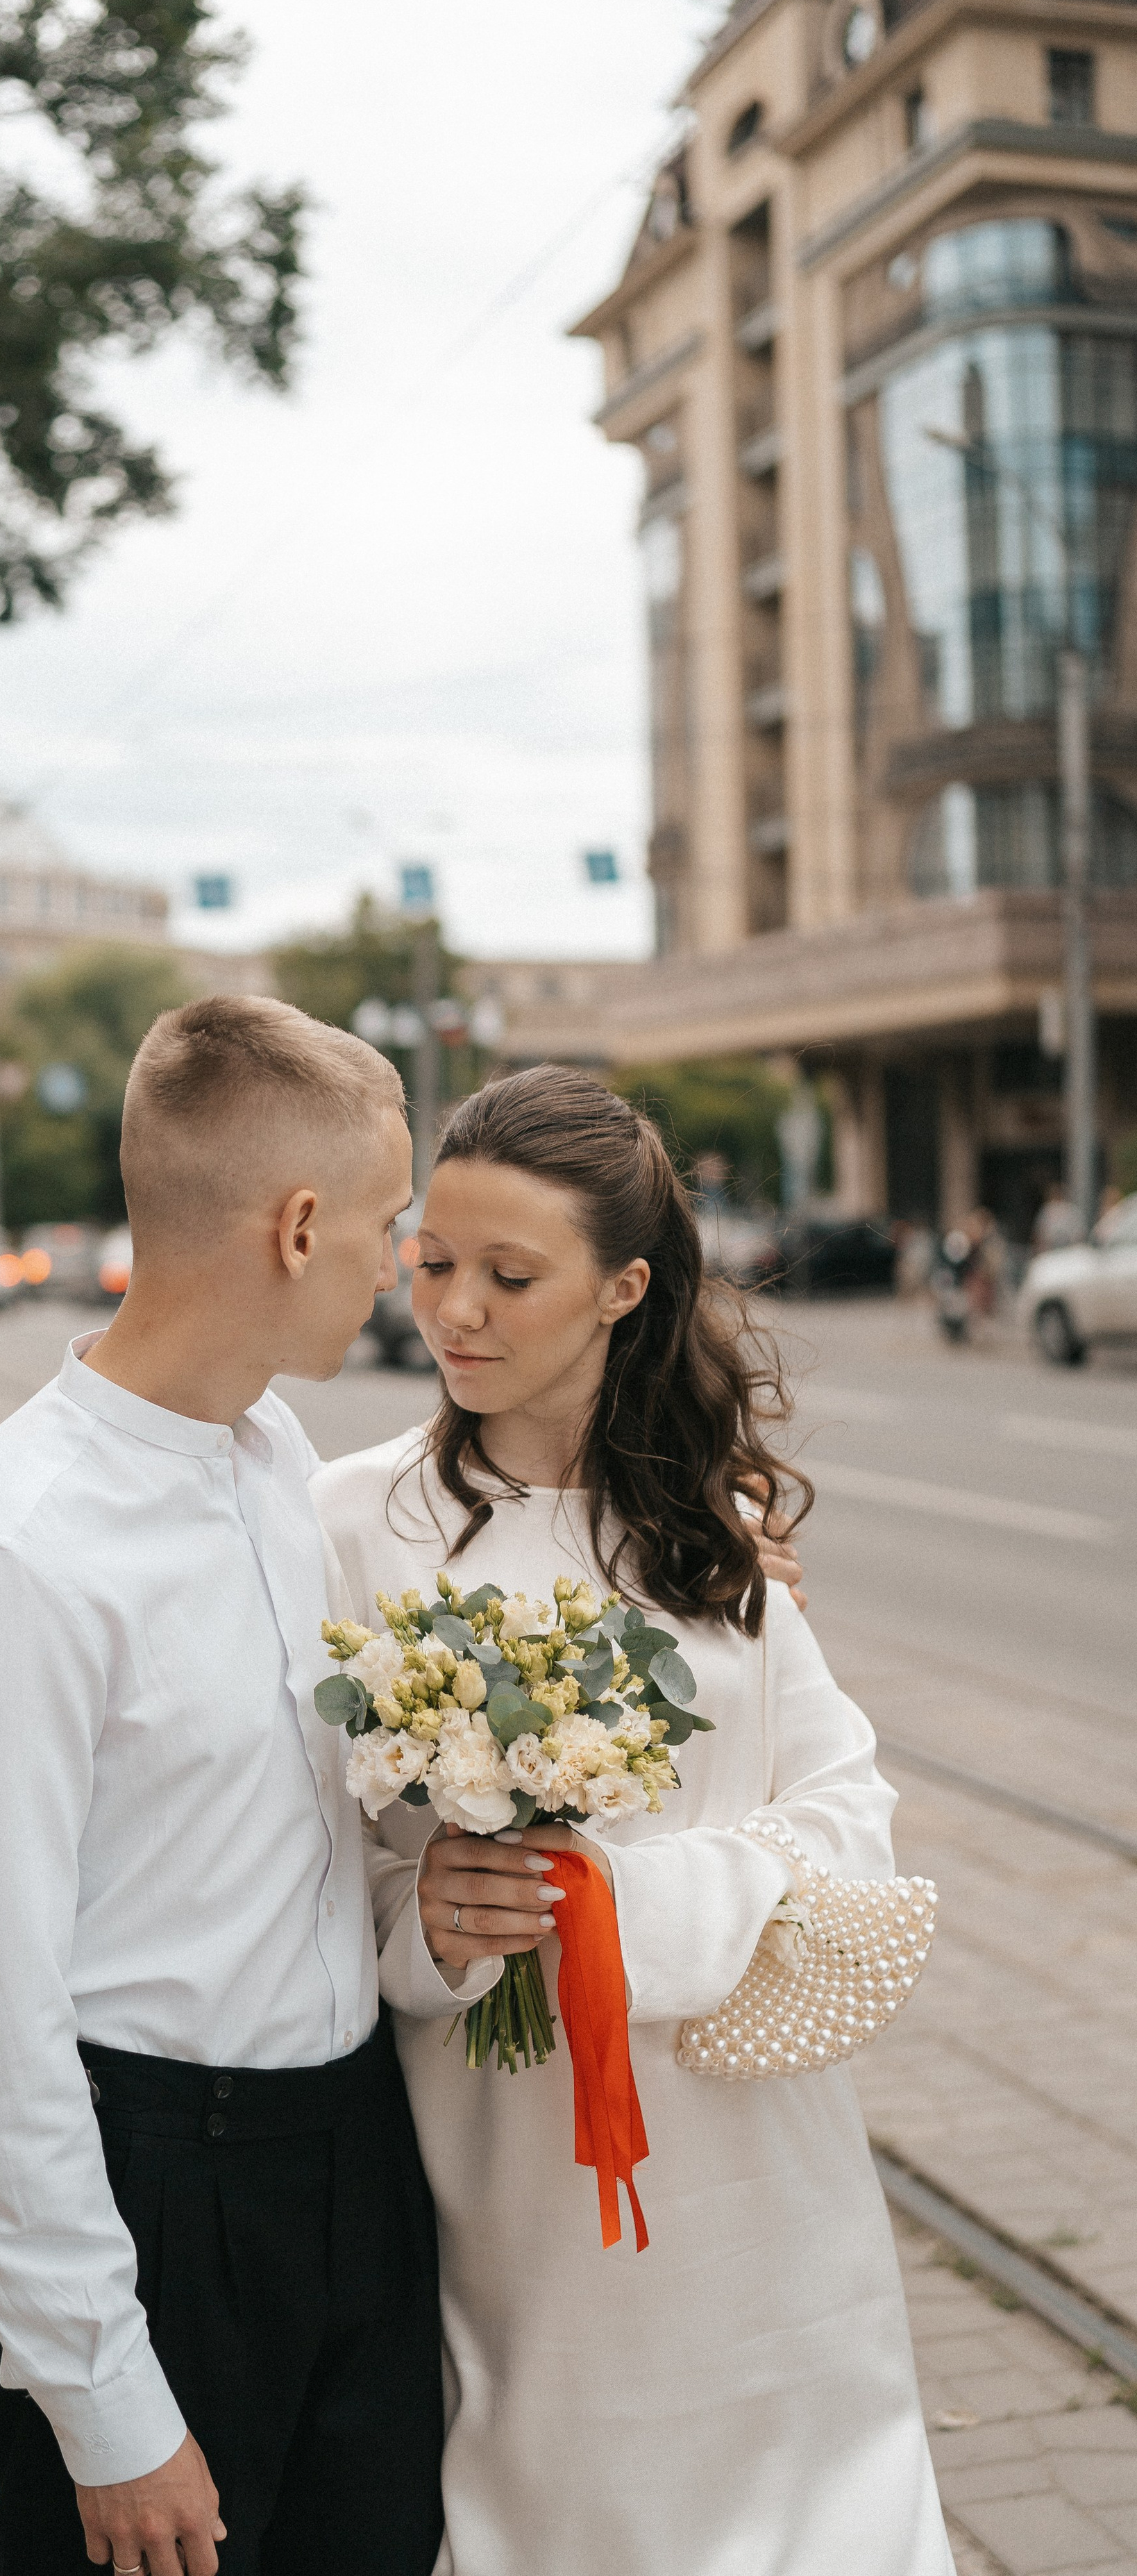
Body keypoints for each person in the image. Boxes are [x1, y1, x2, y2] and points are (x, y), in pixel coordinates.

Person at [0, 998, 481, 2576]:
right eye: (387, 1223)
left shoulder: (272, 1454)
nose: (399, 1263)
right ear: (292, 1228)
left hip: (353, 2166)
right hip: (159, 2203)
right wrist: (104, 2402)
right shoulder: (1, 1565)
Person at [311, 1064, 952, 2576]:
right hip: (513, 2192)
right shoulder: (343, 1524)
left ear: (622, 1289)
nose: (452, 1312)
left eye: (507, 1276)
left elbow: (847, 1811)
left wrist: (630, 1908)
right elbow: (310, 1873)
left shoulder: (710, 1531)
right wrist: (429, 1933)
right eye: (432, 1266)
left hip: (760, 2182)